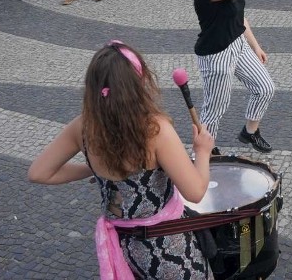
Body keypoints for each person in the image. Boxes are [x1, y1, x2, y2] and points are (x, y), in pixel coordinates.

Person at [28, 41, 214, 279]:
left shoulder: (82, 128)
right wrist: (203, 151)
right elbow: (196, 191)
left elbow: (39, 173)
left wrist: (92, 169)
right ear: (139, 83)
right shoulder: (155, 130)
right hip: (170, 253)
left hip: (126, 250)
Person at [194, 0, 275, 153]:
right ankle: (205, 151)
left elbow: (240, 17)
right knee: (215, 108)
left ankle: (250, 132)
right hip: (216, 54)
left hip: (238, 44)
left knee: (265, 88)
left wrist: (256, 46)